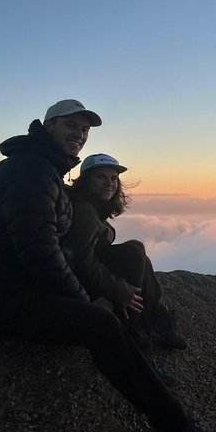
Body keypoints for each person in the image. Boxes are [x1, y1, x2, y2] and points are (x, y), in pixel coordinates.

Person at [0, 99, 216, 432]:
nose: (79, 134)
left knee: (113, 298)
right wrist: (86, 303)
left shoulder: (43, 169)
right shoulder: (30, 172)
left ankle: (149, 336)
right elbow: (40, 254)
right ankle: (179, 429)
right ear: (48, 125)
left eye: (84, 129)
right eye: (71, 125)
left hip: (20, 288)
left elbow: (54, 250)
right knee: (103, 324)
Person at [66, 153, 185, 362]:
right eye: (100, 177)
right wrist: (119, 290)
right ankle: (137, 345)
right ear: (85, 180)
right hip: (80, 284)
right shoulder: (85, 210)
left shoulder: (94, 208)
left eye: (113, 179)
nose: (109, 184)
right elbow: (81, 262)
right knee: (133, 253)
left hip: (89, 277)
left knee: (137, 252)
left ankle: (158, 318)